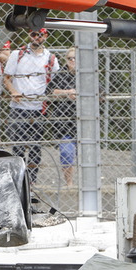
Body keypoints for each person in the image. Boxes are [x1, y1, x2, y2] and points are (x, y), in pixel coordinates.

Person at [3, 28, 60, 185]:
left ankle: (32, 180)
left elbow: (55, 83)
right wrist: (14, 91)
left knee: (35, 147)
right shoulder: (18, 54)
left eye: (39, 35)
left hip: (38, 108)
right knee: (18, 146)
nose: (36, 38)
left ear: (45, 36)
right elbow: (6, 78)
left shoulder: (51, 58)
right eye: (33, 34)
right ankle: (18, 179)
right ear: (29, 35)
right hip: (18, 107)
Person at [48, 48, 78, 187]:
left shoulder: (88, 73)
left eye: (75, 58)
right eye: (70, 58)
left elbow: (101, 94)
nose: (72, 61)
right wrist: (67, 93)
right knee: (66, 153)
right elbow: (49, 92)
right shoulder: (61, 74)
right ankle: (70, 183)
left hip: (86, 124)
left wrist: (80, 94)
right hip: (65, 123)